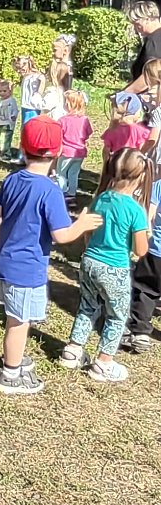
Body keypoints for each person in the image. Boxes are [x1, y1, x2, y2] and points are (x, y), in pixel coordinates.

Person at [0, 117, 101, 396]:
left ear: (22, 146)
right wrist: (82, 224)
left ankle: (13, 358)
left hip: (5, 265)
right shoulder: (50, 191)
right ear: (59, 151)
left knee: (16, 318)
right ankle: (10, 373)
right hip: (26, 271)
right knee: (19, 323)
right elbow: (61, 235)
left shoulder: (12, 179)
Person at [61, 147, 151, 383]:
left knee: (87, 306)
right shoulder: (136, 210)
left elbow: (88, 231)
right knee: (116, 316)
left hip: (90, 261)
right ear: (141, 176)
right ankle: (103, 363)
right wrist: (145, 233)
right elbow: (140, 251)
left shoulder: (101, 198)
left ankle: (72, 350)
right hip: (115, 268)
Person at [125, 171, 161, 353]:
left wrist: (144, 238)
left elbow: (149, 216)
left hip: (156, 252)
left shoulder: (158, 186)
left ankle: (140, 332)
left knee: (146, 290)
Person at [57, 90, 93, 208]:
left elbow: (58, 136)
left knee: (61, 174)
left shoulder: (62, 120)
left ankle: (62, 193)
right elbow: (88, 133)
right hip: (80, 152)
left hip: (66, 152)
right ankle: (72, 194)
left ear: (69, 104)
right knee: (73, 173)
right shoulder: (85, 120)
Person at [126, 0, 161, 94]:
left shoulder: (154, 41)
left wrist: (125, 93)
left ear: (148, 19)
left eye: (137, 24)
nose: (136, 28)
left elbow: (151, 75)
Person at [102, 93, 149, 161]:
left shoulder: (112, 130)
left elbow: (106, 150)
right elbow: (141, 149)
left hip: (115, 163)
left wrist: (106, 164)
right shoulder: (140, 131)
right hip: (133, 163)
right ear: (135, 113)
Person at [14, 55, 45, 128]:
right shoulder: (26, 77)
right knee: (24, 127)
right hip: (25, 106)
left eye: (21, 69)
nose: (20, 71)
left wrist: (38, 95)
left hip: (33, 107)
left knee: (31, 126)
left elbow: (42, 83)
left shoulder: (36, 76)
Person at [0, 80, 19, 160]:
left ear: (10, 91)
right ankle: (1, 151)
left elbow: (15, 110)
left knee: (5, 138)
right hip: (0, 122)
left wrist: (13, 116)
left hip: (8, 123)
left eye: (4, 91)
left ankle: (7, 154)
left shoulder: (11, 100)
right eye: (0, 91)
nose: (2, 93)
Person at [41, 56, 71, 122]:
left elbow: (46, 106)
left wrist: (38, 97)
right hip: (63, 120)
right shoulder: (66, 91)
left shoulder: (53, 91)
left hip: (53, 121)